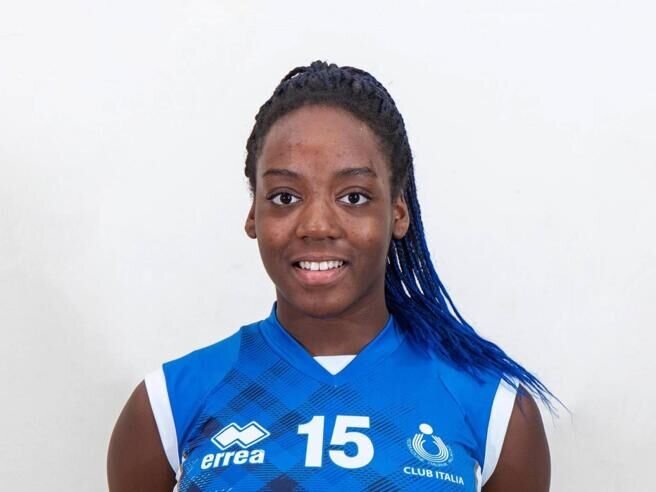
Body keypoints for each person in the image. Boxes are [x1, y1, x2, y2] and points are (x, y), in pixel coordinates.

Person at [108, 61, 553, 491]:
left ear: (398, 212)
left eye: (353, 197)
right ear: (253, 214)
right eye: (285, 197)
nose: (317, 225)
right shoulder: (167, 405)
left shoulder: (495, 411)